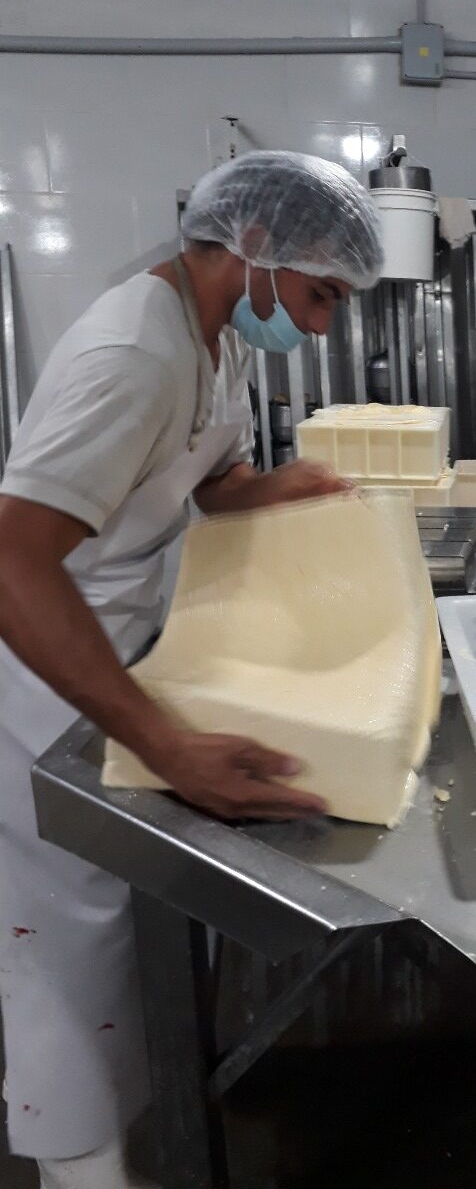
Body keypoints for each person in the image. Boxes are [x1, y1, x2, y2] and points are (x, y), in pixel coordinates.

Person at [0, 150, 383, 1188]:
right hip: (41, 668)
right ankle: (79, 1164)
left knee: (127, 924)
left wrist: (281, 488)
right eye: (320, 295)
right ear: (252, 246)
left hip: (121, 637)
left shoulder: (214, 336)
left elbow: (206, 483)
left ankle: (149, 1117)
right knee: (68, 935)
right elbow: (14, 560)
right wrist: (164, 743)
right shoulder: (133, 353)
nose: (320, 328)